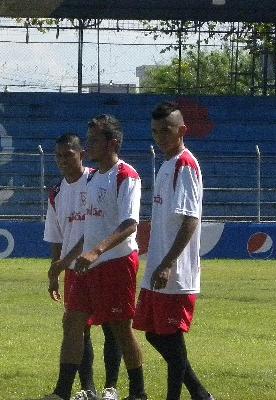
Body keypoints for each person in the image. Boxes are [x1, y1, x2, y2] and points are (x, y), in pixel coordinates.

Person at [42, 114, 147, 400]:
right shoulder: (91, 182)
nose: (90, 145)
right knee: (73, 322)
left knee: (120, 329)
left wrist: (98, 250)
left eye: (95, 139)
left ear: (112, 142)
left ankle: (138, 391)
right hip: (87, 265)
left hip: (117, 263)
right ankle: (62, 392)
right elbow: (86, 231)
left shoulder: (126, 175)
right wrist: (65, 262)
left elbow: (130, 224)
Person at [133, 102, 214, 400]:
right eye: (155, 131)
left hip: (176, 271)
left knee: (171, 337)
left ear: (182, 130)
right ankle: (199, 392)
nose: (160, 136)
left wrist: (168, 264)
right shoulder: (167, 164)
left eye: (166, 130)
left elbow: (191, 220)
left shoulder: (185, 165)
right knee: (154, 332)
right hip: (160, 265)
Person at [44, 133, 123, 400]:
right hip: (73, 269)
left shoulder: (95, 179)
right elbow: (56, 235)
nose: (63, 160)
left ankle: (110, 387)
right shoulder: (55, 193)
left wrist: (72, 258)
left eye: (69, 154)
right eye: (59, 156)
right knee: (79, 328)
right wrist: (56, 270)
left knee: (113, 324)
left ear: (81, 154)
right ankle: (87, 388)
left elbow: (97, 226)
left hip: (103, 262)